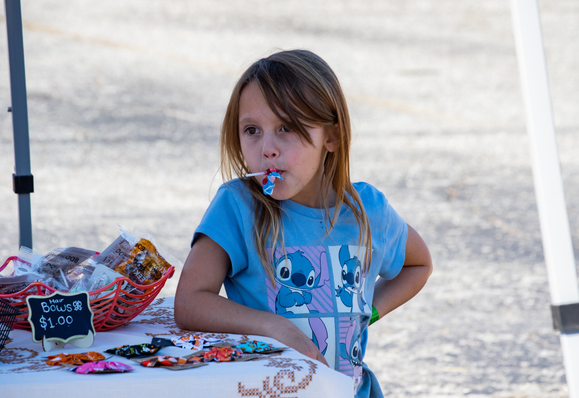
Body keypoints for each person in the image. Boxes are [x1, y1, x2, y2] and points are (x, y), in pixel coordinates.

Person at [174, 49, 433, 397]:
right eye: (252, 130)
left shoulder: (368, 210)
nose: (267, 148)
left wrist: (366, 312)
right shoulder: (237, 206)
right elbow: (189, 302)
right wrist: (273, 326)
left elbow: (419, 264)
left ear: (332, 137)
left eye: (287, 128)